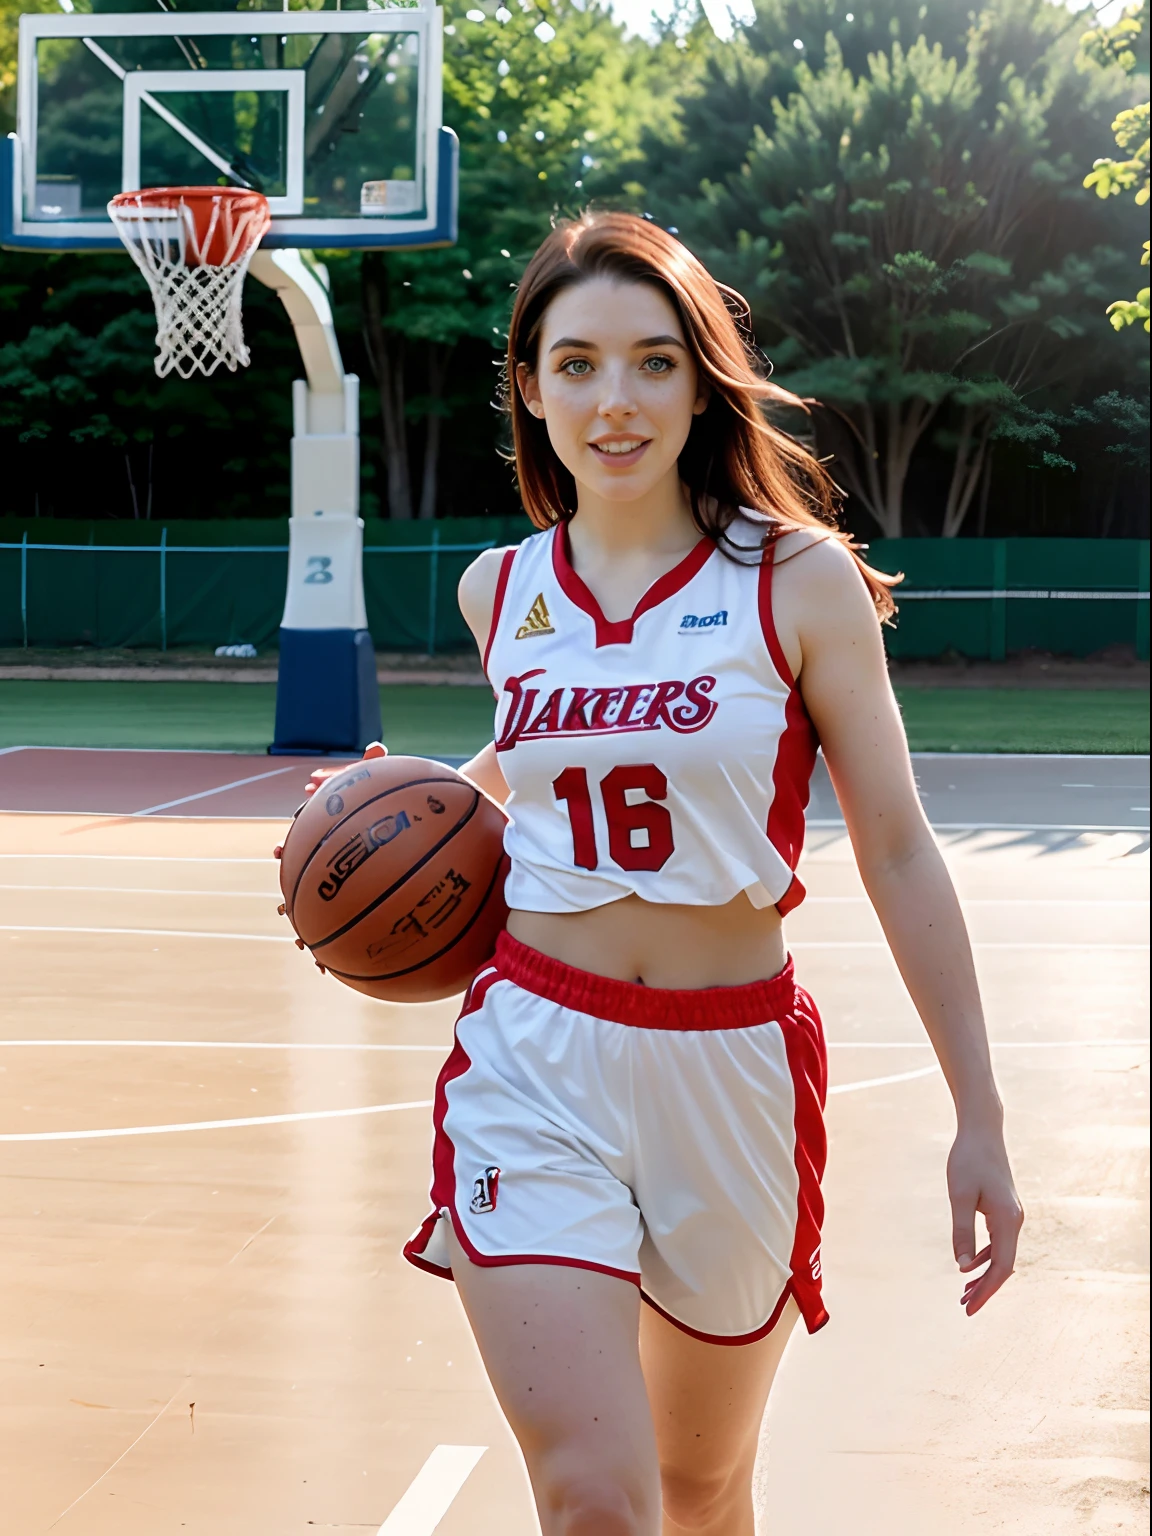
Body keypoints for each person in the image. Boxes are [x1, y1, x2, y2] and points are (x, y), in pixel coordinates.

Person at [306, 212, 1023, 1536]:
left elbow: (899, 846)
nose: (614, 399)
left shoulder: (797, 584)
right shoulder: (497, 592)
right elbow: (547, 744)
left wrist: (978, 1110)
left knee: (702, 1492)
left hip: (730, 1066)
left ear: (701, 380)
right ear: (529, 384)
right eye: (576, 364)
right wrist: (383, 810)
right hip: (537, 1060)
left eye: (651, 361)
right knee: (596, 1504)